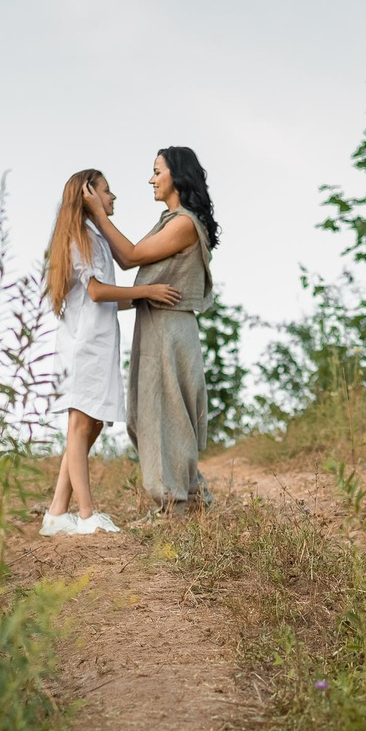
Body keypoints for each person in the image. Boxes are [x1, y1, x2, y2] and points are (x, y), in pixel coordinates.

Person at [41, 167, 179, 535]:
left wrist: (145, 301)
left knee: (93, 421)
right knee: (81, 423)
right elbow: (97, 292)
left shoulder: (94, 236)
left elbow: (105, 300)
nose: (113, 197)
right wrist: (146, 292)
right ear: (87, 195)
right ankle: (86, 515)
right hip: (84, 345)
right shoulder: (81, 236)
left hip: (98, 342)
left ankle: (57, 512)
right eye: (105, 191)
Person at [84, 146, 219, 511]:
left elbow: (128, 257)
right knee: (153, 415)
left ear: (177, 174)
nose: (151, 179)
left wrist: (97, 213)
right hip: (156, 325)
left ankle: (176, 505)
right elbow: (142, 280)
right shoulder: (169, 219)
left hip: (170, 330)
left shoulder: (183, 224)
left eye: (157, 171)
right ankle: (191, 501)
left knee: (165, 415)